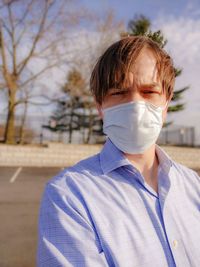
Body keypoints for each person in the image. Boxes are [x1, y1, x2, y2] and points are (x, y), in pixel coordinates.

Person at [37, 36, 200, 267]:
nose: (135, 106)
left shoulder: (192, 185)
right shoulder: (69, 196)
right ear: (99, 106)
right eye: (118, 92)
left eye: (149, 91)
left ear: (167, 102)